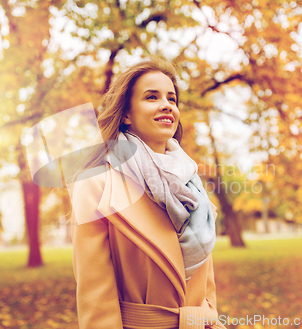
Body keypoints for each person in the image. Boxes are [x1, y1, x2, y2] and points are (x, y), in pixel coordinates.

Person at [68, 56, 227, 329]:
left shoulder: (192, 184)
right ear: (127, 114)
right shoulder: (96, 184)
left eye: (172, 99)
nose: (167, 105)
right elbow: (96, 298)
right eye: (152, 97)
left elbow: (205, 288)